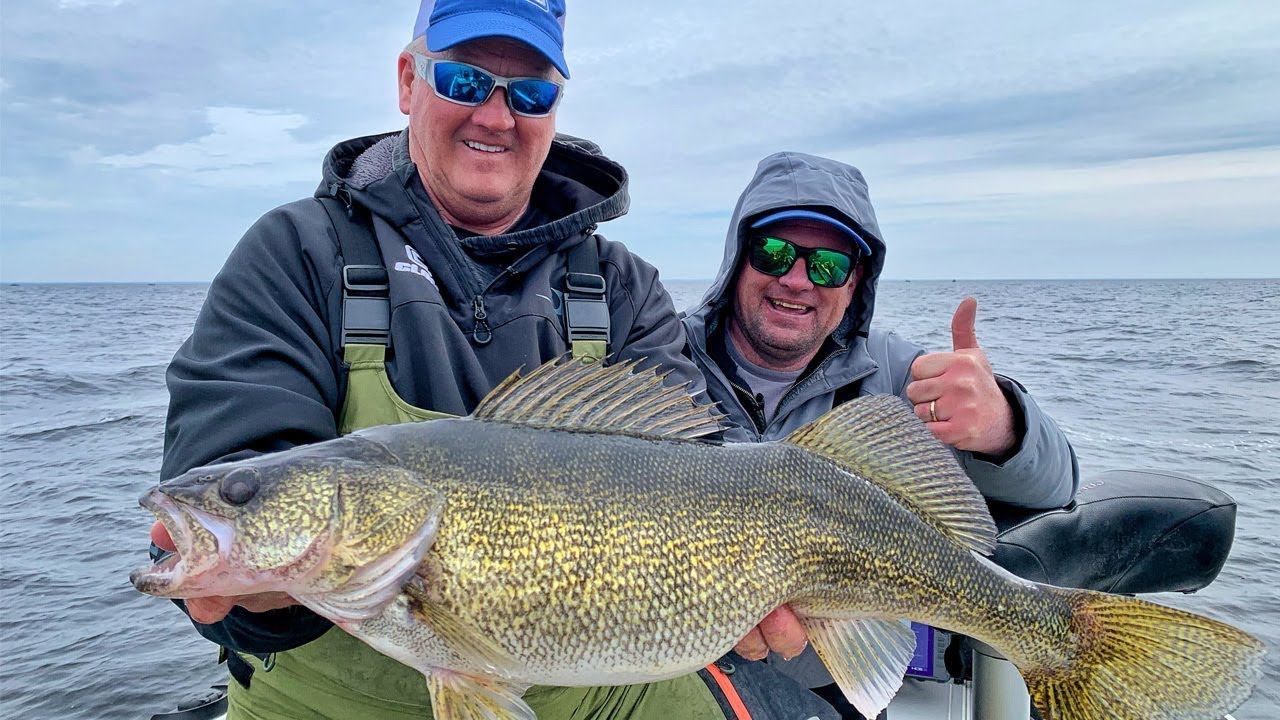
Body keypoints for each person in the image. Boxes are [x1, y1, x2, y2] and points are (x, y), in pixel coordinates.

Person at [147, 2, 841, 719]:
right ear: (408, 83)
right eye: (464, 81)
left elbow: (694, 469)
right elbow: (236, 477)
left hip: (605, 690)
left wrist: (742, 593)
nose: (495, 116)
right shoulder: (297, 254)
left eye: (530, 93)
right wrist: (256, 586)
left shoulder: (624, 288)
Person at [681, 151, 1080, 717]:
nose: (796, 280)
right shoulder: (662, 357)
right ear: (737, 259)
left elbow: (1056, 489)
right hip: (681, 676)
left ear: (856, 281)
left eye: (827, 266)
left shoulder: (902, 378)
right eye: (773, 253)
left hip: (831, 686)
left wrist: (1005, 428)